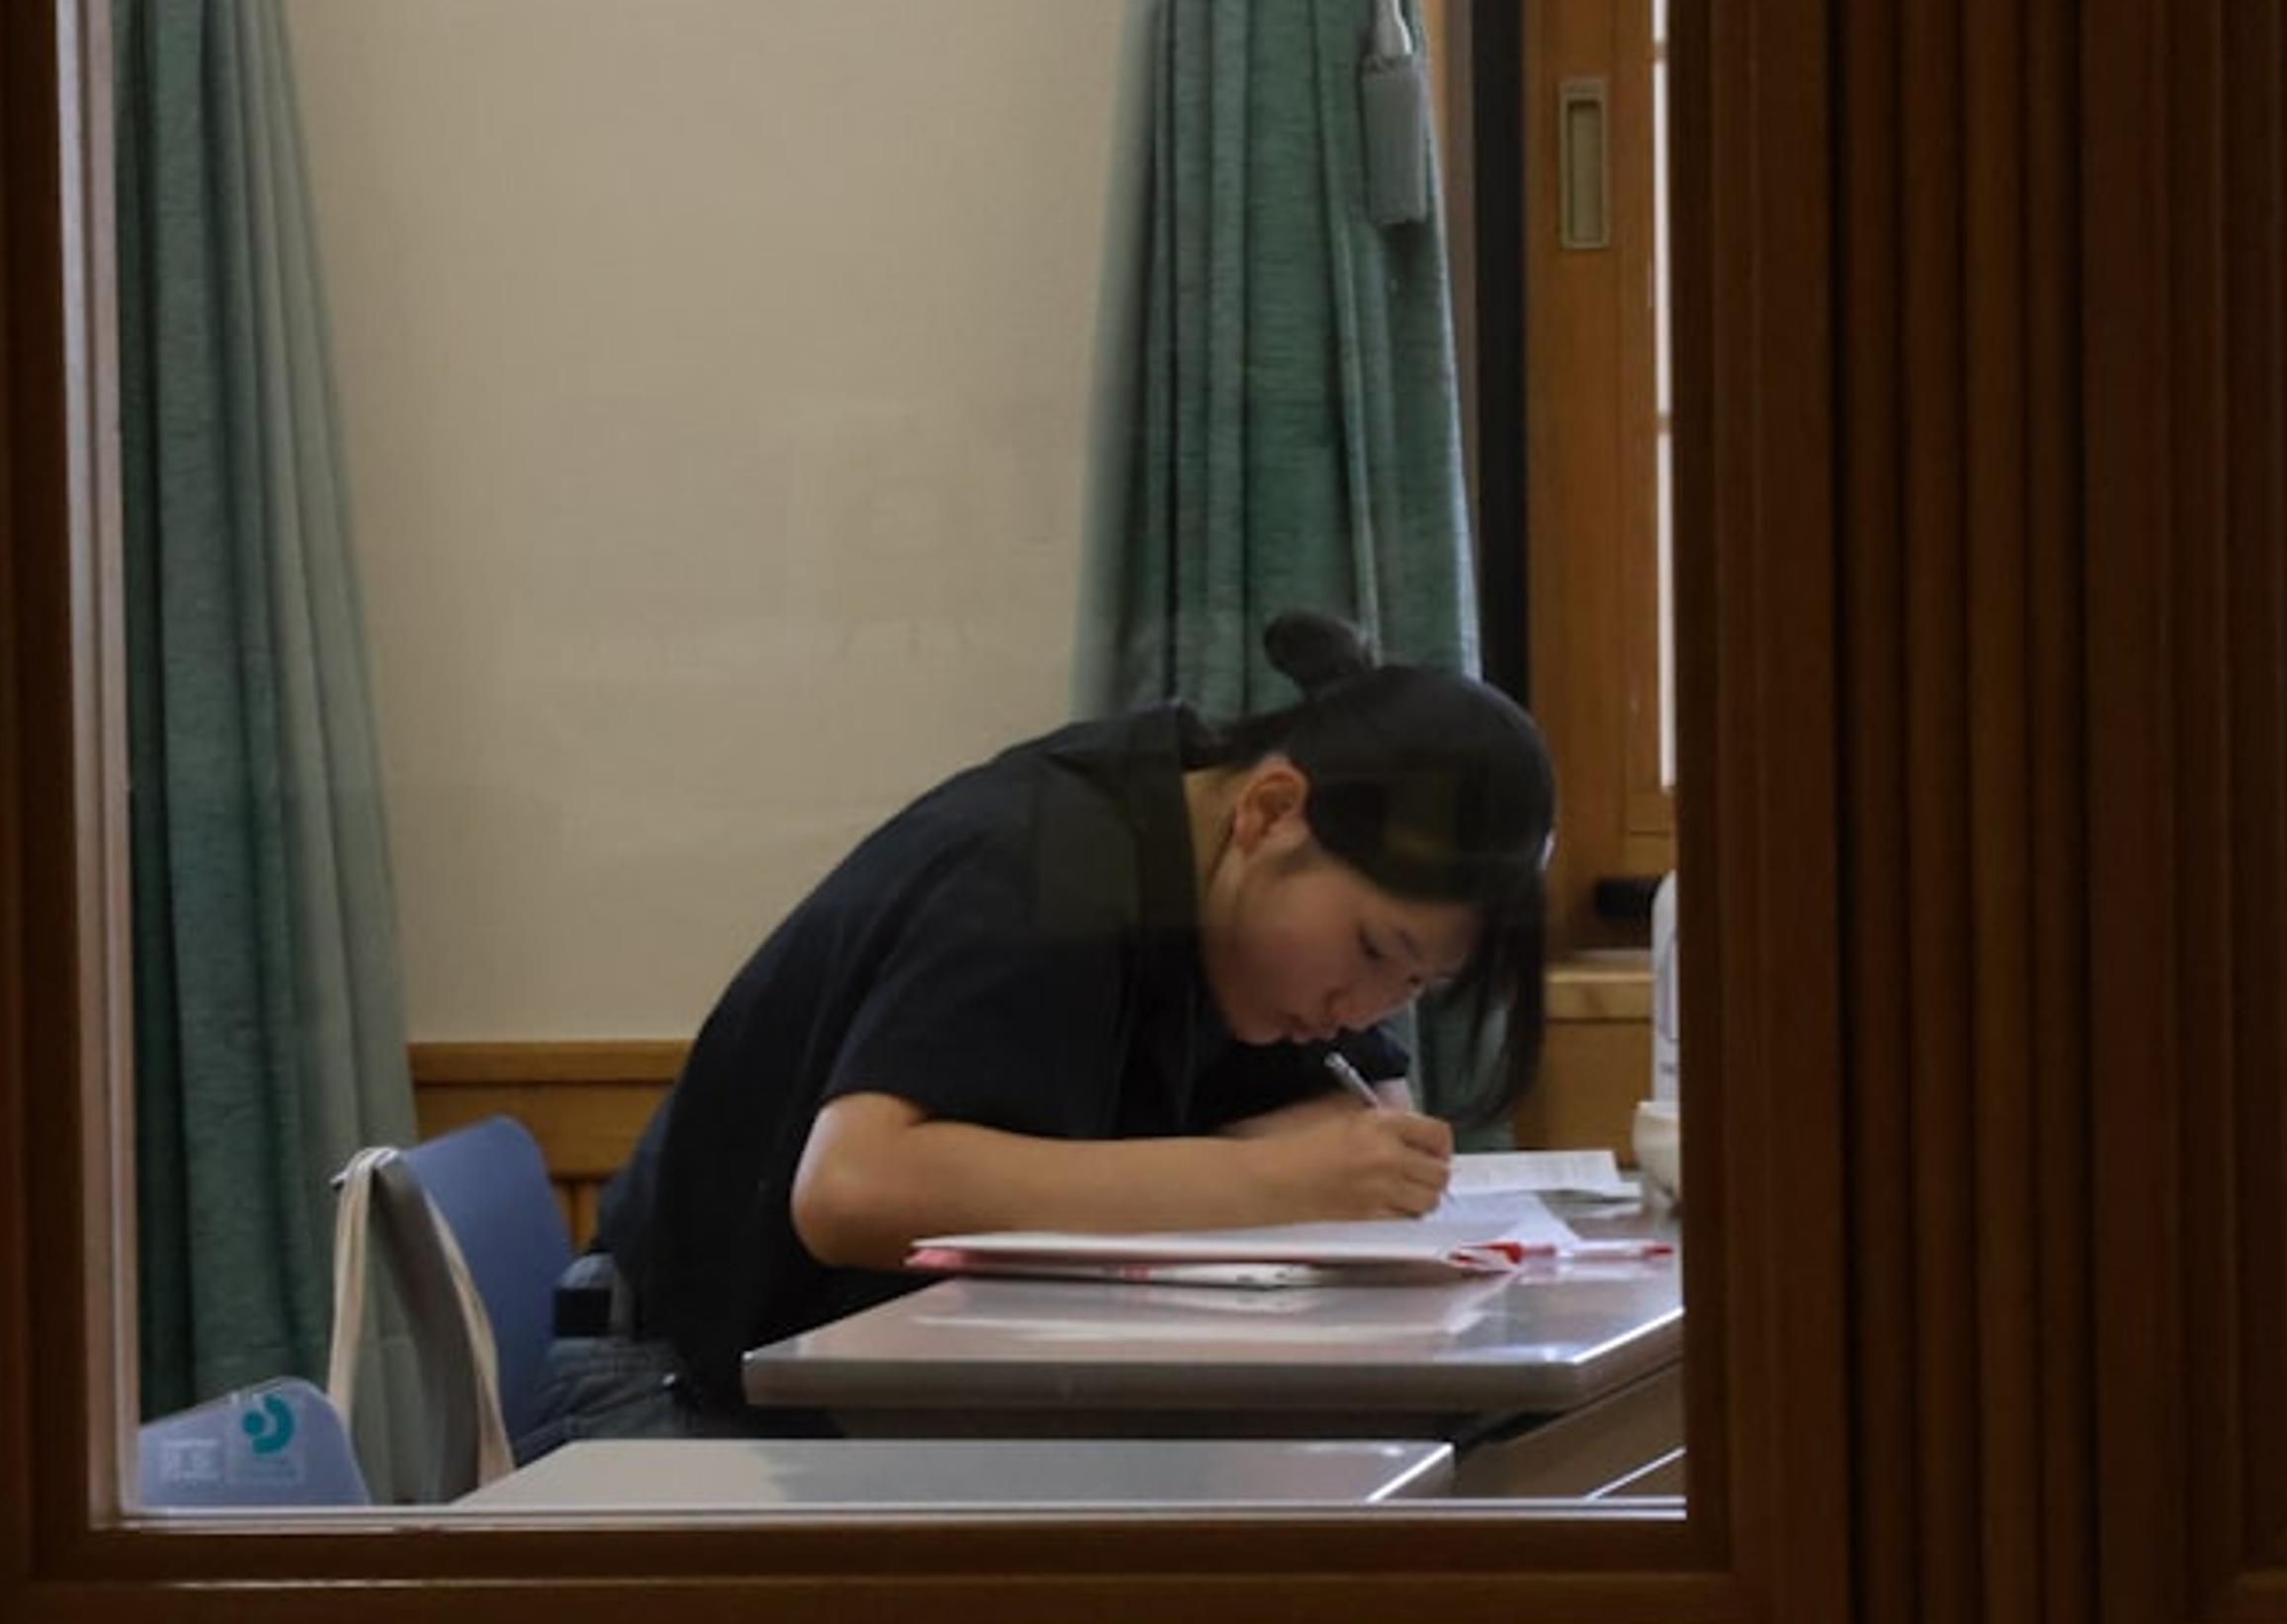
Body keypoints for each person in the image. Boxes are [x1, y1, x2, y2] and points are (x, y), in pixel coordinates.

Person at [567, 610, 1555, 1431]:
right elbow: (854, 1188)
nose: (1363, 1009)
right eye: (1375, 951)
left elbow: (1357, 1132)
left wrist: (1318, 1165)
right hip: (680, 1394)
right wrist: (1263, 1177)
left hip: (899, 1397)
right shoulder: (1052, 865)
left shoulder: (1248, 920)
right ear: (1272, 810)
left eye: (1414, 986)